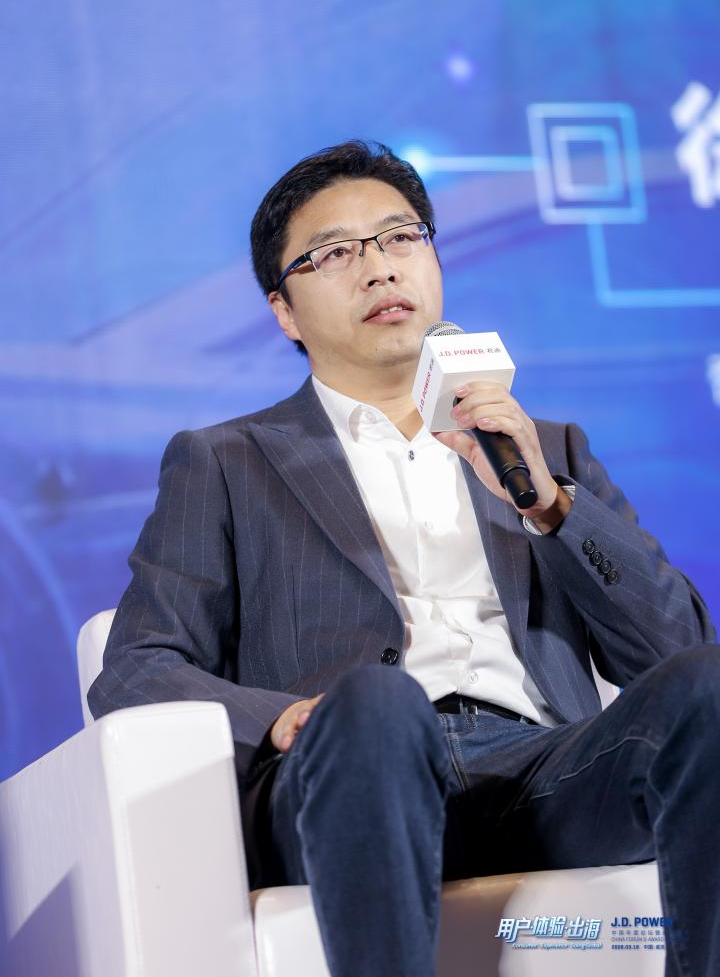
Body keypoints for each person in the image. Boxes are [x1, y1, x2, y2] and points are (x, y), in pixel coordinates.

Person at [88, 140, 717, 977]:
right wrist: (283, 718)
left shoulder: (545, 448)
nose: (380, 268)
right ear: (284, 310)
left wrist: (549, 507)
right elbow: (136, 668)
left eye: (399, 238)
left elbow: (676, 654)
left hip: (545, 773)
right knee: (380, 704)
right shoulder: (227, 461)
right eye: (335, 254)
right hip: (351, 770)